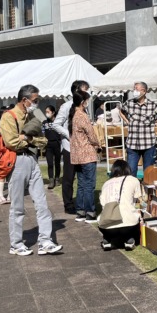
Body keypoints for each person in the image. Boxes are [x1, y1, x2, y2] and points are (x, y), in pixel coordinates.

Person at [1, 84, 62, 256]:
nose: (37, 103)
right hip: (17, 160)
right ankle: (16, 244)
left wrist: (27, 137)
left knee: (42, 203)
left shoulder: (34, 115)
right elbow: (11, 142)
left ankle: (45, 241)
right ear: (24, 100)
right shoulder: (9, 116)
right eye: (35, 100)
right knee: (17, 206)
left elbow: (43, 141)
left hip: (32, 159)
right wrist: (31, 140)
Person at [52, 79, 89, 215]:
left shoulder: (84, 107)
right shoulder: (67, 106)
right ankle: (68, 204)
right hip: (69, 147)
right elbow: (56, 124)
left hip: (82, 147)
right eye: (85, 89)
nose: (87, 92)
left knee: (83, 177)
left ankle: (82, 203)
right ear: (76, 90)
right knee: (69, 178)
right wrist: (69, 136)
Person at [120, 81, 157, 176]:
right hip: (132, 144)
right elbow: (121, 111)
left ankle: (147, 190)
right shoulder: (129, 103)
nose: (134, 91)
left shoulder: (152, 105)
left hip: (148, 143)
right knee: (131, 171)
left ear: (144, 91)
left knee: (149, 172)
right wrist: (127, 121)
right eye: (134, 89)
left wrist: (156, 120)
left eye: (136, 89)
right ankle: (133, 189)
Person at [98, 159, 144, 251]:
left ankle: (107, 239)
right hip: (129, 226)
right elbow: (140, 199)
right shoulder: (133, 180)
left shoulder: (106, 184)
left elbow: (103, 204)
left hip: (106, 225)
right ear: (127, 169)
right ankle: (129, 239)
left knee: (105, 221)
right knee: (137, 214)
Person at [69, 90, 101, 222]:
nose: (88, 102)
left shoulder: (73, 115)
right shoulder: (82, 115)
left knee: (81, 184)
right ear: (83, 102)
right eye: (87, 100)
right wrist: (98, 144)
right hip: (87, 154)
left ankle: (81, 211)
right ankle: (90, 212)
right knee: (89, 185)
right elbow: (91, 135)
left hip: (77, 155)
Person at [42, 105, 62, 189]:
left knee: (57, 163)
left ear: (53, 112)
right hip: (48, 145)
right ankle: (51, 180)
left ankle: (57, 178)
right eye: (46, 112)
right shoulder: (44, 122)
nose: (47, 113)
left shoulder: (58, 122)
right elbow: (42, 132)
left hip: (57, 144)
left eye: (48, 112)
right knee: (50, 163)